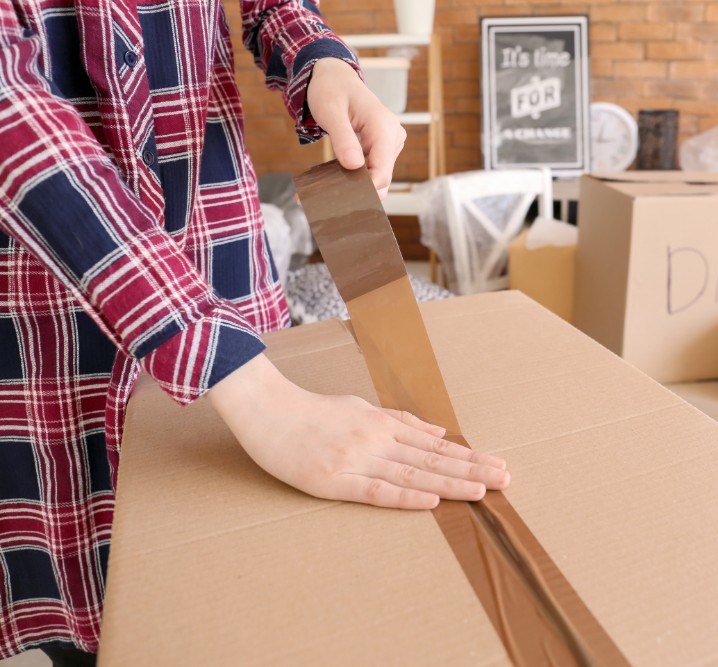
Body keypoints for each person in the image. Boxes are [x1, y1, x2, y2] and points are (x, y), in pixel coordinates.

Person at [0, 1, 510, 665]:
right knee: (106, 612)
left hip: (219, 249)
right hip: (53, 297)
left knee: (271, 597)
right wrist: (246, 382)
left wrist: (319, 58)